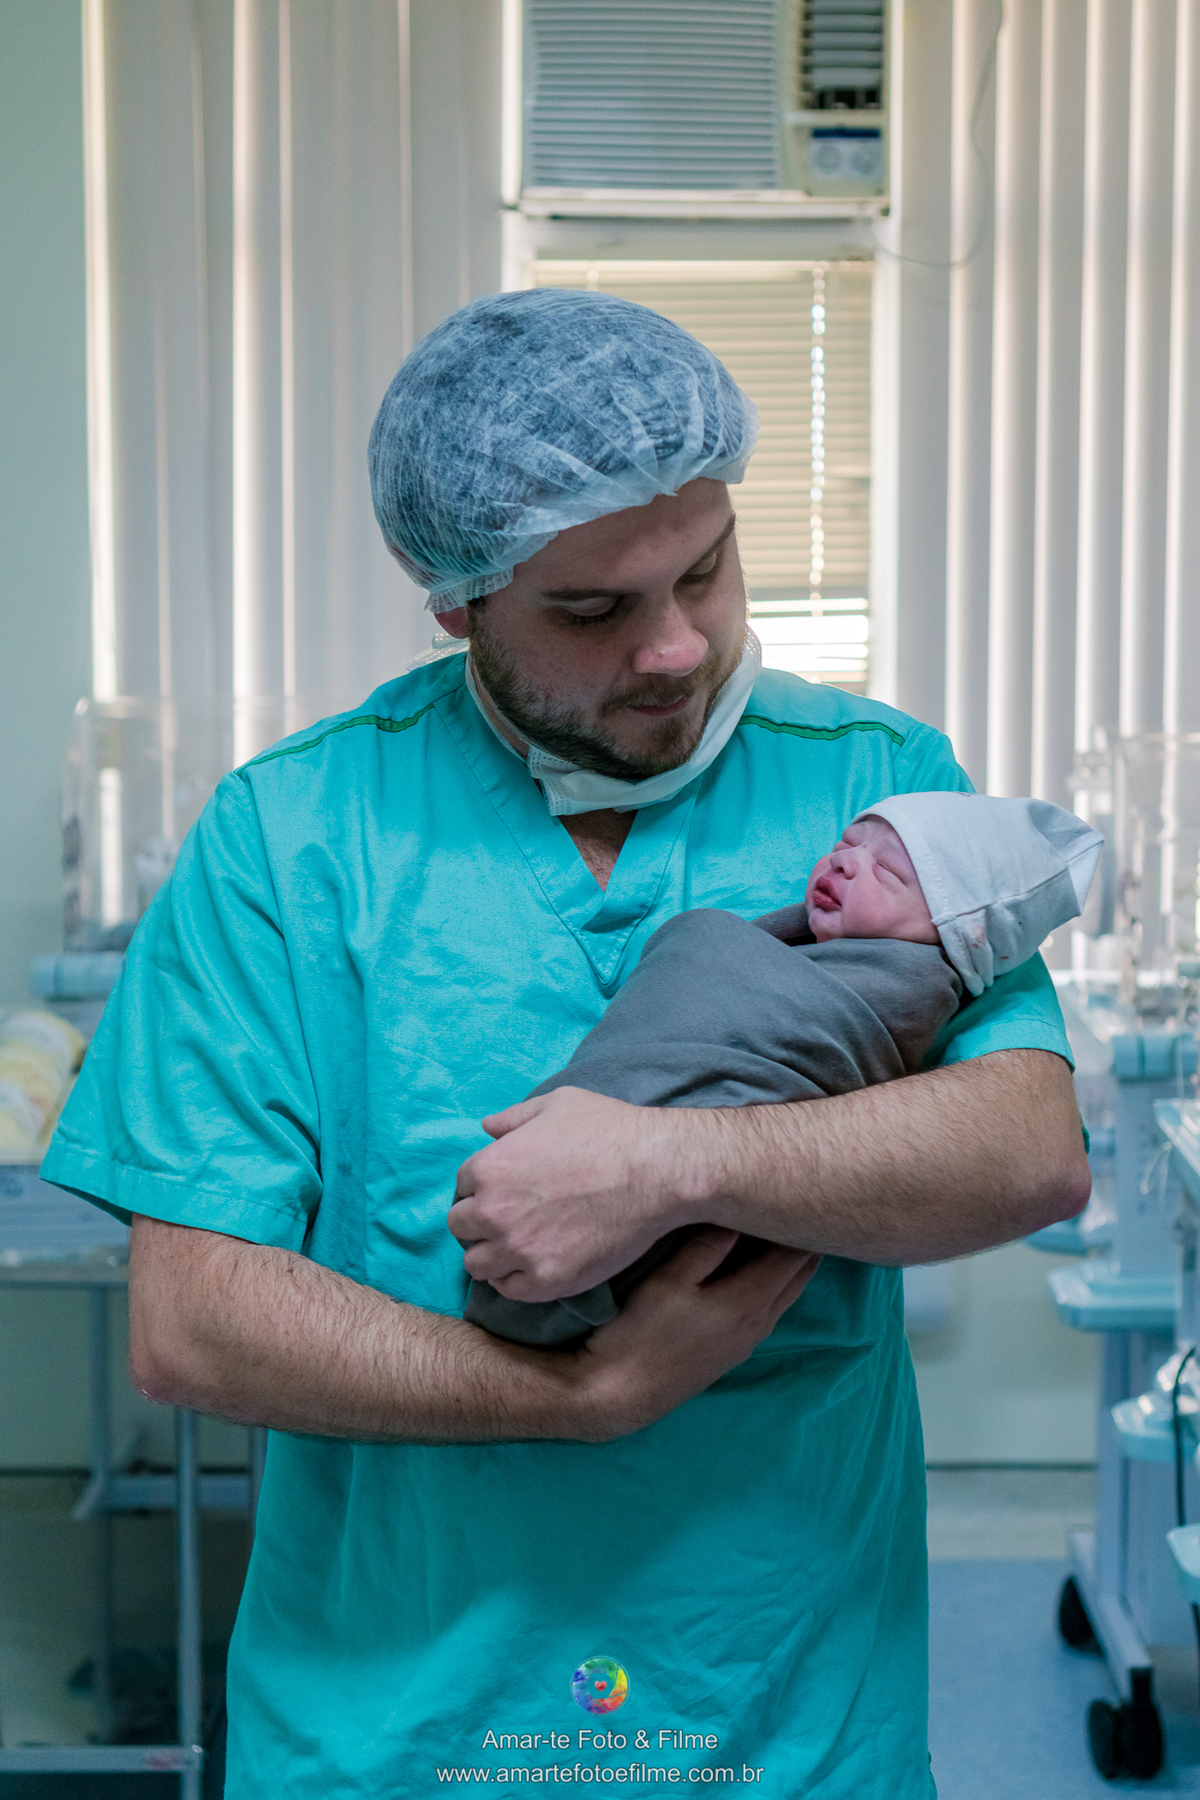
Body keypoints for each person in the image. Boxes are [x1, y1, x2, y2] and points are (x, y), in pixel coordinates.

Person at [41, 290, 1091, 1798]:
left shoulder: (878, 791)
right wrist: (576, 1397)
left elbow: (1023, 1152)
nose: (675, 649)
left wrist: (665, 1159)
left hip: (789, 1727)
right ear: (459, 602)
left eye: (708, 572)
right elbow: (191, 1320)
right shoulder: (293, 835)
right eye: (593, 613)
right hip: (392, 1739)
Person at [464, 793, 1104, 1347]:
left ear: (959, 939)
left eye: (887, 873)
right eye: (847, 844)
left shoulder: (910, 989)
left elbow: (1041, 1165)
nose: (847, 862)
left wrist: (653, 1157)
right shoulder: (816, 946)